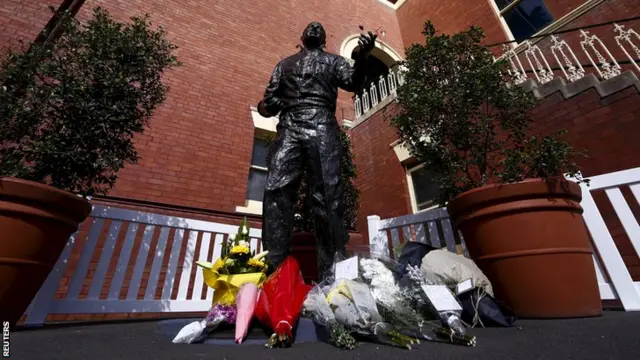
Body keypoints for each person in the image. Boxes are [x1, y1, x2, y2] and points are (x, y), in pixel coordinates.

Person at [257, 22, 377, 277]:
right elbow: (265, 106)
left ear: (323, 39)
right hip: (290, 125)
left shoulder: (334, 61)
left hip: (322, 125)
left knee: (328, 195)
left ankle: (334, 273)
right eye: (309, 26)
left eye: (318, 27)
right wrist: (272, 103)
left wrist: (363, 58)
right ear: (302, 37)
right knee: (276, 190)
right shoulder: (285, 64)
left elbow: (353, 82)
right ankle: (274, 273)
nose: (313, 27)